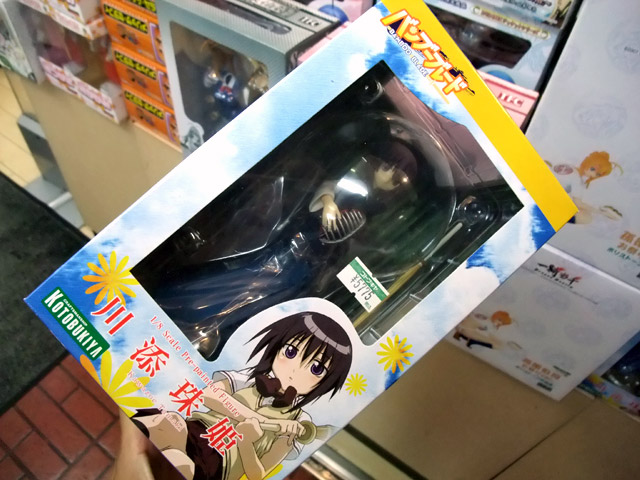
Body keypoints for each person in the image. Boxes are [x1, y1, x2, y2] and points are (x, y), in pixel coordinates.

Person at [131, 311, 353, 480]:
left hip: (218, 462)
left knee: (183, 464)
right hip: (195, 429)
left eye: (316, 368)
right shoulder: (247, 378)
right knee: (169, 422)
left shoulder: (297, 423)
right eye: (291, 352)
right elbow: (209, 395)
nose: (295, 370)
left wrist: (247, 442)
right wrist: (257, 418)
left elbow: (257, 475)